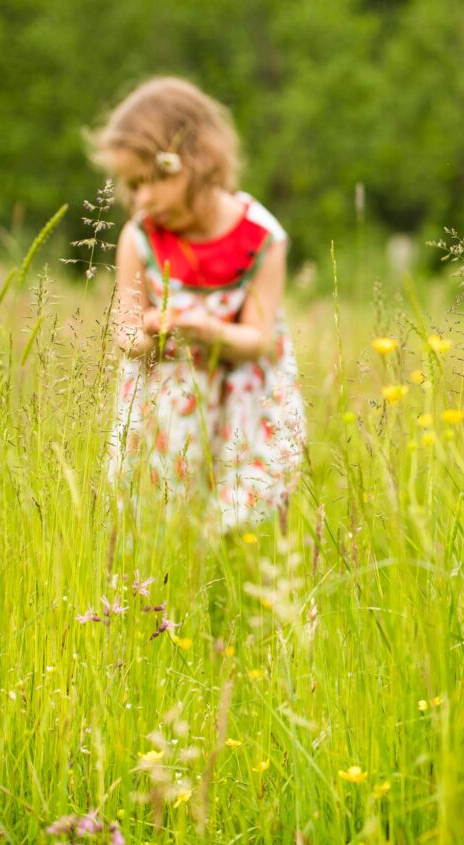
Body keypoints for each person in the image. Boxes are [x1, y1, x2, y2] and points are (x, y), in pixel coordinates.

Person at [91, 76, 305, 532]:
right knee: (160, 518)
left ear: (200, 159)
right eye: (132, 184)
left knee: (243, 516)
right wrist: (148, 330)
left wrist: (208, 333)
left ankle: (246, 579)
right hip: (168, 403)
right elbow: (125, 332)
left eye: (155, 178)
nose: (142, 197)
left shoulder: (261, 237)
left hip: (245, 398)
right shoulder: (139, 239)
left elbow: (259, 338)